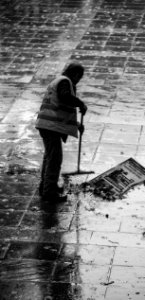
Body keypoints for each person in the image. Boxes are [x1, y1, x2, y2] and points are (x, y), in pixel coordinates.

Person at [35, 62, 87, 202]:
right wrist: (80, 103)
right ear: (76, 74)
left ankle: (46, 186)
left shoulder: (60, 80)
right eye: (79, 77)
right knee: (54, 159)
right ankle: (49, 193)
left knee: (50, 157)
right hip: (50, 126)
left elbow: (60, 107)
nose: (78, 80)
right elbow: (65, 97)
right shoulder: (65, 82)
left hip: (47, 124)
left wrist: (75, 124)